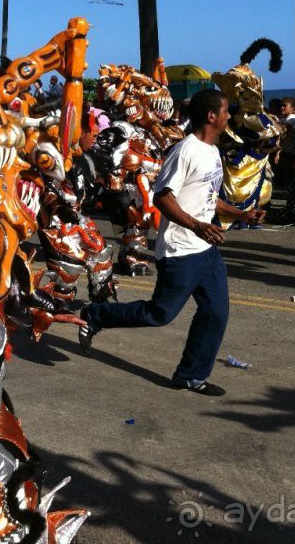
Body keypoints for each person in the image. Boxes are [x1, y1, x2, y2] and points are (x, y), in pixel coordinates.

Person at [78, 89, 265, 395]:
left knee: (215, 312)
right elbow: (162, 198)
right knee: (159, 314)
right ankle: (94, 314)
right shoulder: (186, 150)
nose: (230, 116)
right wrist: (196, 226)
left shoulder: (211, 150)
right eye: (226, 111)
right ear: (211, 116)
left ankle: (190, 376)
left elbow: (208, 197)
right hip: (180, 251)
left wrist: (242, 214)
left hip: (206, 250)